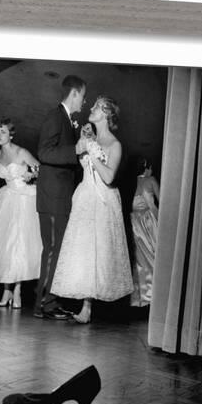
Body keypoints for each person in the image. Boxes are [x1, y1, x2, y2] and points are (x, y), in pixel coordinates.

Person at [51, 97, 134, 323]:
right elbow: (83, 163)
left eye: (96, 107)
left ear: (106, 114)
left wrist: (93, 152)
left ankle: (91, 308)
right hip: (85, 196)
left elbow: (108, 176)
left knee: (99, 251)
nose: (91, 108)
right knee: (84, 251)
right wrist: (85, 142)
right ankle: (85, 308)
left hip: (104, 200)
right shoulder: (91, 138)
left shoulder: (115, 145)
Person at [34, 75, 87, 320]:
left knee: (56, 250)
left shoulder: (67, 119)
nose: (84, 102)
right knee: (52, 249)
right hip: (52, 197)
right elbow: (44, 152)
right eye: (83, 96)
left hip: (60, 198)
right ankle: (43, 304)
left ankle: (51, 302)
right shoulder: (55, 116)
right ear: (74, 94)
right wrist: (75, 150)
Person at [0, 118, 42, 308]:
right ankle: (7, 290)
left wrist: (31, 174)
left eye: (3, 132)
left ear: (11, 134)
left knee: (18, 244)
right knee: (4, 244)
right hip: (7, 198)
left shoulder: (21, 152)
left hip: (23, 199)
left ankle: (18, 290)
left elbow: (40, 169)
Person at [130, 158, 160, 307]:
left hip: (134, 222)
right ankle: (155, 298)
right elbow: (162, 200)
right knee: (154, 259)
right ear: (148, 168)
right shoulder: (151, 179)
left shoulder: (132, 182)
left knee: (140, 262)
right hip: (148, 222)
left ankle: (141, 299)